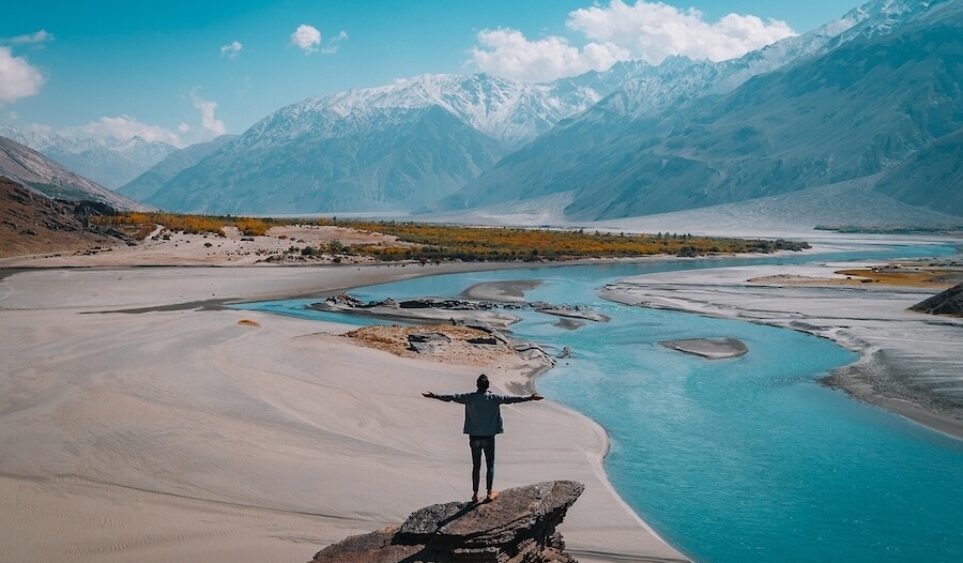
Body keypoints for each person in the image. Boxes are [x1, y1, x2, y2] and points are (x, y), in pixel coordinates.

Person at [423, 374, 543, 503]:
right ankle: (489, 492)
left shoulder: (470, 397)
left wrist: (434, 396)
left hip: (474, 436)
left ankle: (475, 494)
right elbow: (512, 399)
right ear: (488, 386)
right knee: (490, 464)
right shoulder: (494, 398)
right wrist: (530, 398)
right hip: (488, 437)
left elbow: (452, 397)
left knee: (476, 465)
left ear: (477, 385)